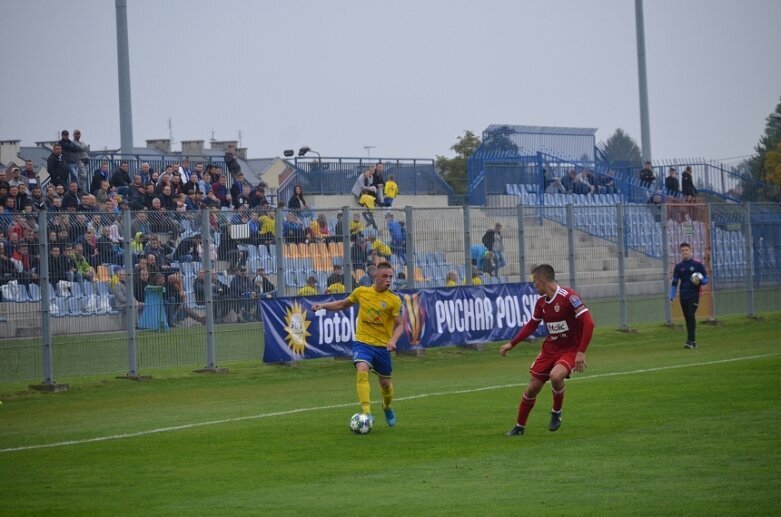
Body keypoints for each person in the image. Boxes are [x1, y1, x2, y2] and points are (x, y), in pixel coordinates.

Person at [499, 264, 595, 436]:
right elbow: (531, 325)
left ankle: (556, 413)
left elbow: (589, 323)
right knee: (532, 388)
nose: (534, 287)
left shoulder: (569, 297)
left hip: (570, 350)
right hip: (550, 349)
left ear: (542, 281)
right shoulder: (541, 303)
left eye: (535, 283)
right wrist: (512, 344)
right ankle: (520, 427)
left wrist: (581, 352)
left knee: (556, 376)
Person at [311, 261, 402, 427]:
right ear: (375, 276)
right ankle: (366, 413)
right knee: (362, 370)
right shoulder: (362, 292)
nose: (388, 280)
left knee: (386, 384)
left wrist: (393, 340)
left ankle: (387, 406)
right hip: (363, 342)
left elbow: (401, 324)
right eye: (385, 276)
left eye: (390, 277)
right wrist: (322, 305)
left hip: (382, 346)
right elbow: (342, 304)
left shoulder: (393, 300)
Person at [670, 242, 709, 349]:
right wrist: (671, 296)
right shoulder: (678, 267)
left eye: (686, 250)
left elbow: (706, 279)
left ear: (690, 250)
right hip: (683, 295)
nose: (685, 252)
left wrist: (699, 281)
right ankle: (692, 341)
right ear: (680, 253)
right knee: (688, 318)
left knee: (691, 315)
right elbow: (674, 282)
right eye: (682, 251)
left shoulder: (698, 265)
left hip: (694, 294)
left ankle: (690, 341)